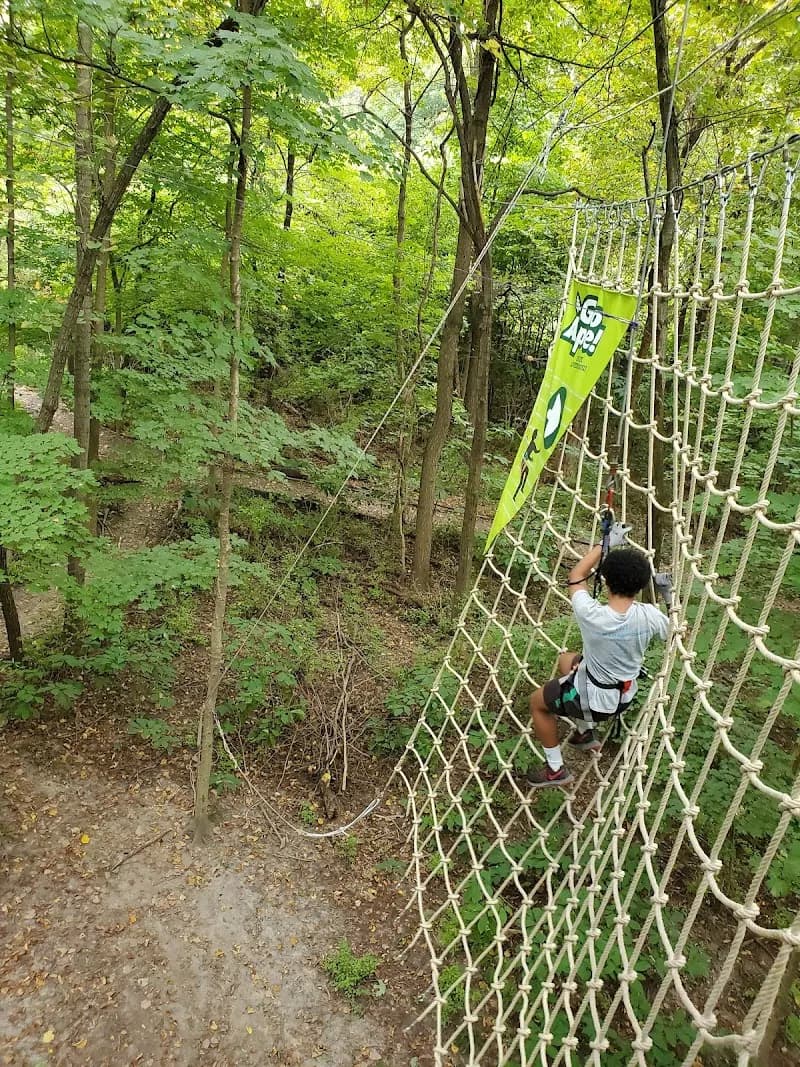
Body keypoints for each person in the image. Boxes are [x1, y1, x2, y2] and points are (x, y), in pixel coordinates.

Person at [527, 523, 672, 788]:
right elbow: (675, 632)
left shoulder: (592, 614)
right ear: (640, 586)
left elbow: (576, 576)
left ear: (605, 580)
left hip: (593, 700)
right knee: (566, 660)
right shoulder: (651, 616)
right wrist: (668, 595)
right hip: (624, 696)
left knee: (537, 702)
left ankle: (555, 769)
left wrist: (604, 545)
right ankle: (584, 734)